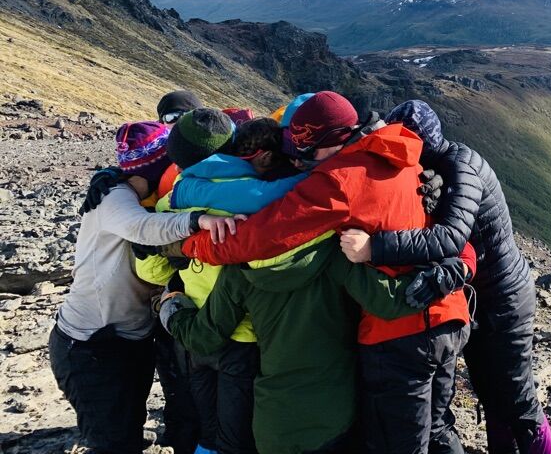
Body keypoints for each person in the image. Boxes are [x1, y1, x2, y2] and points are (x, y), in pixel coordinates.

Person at [181, 91, 475, 454]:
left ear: (337, 139)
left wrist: (188, 244)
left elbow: (258, 238)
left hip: (397, 332)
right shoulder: (403, 153)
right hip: (448, 314)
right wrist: (462, 266)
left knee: (398, 444)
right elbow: (447, 234)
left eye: (309, 151)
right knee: (438, 431)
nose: (303, 161)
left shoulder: (338, 180)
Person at [340, 101, 551, 454]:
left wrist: (373, 248)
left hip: (504, 298)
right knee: (489, 391)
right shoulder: (441, 167)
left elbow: (452, 237)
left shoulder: (462, 168)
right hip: (479, 296)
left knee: (516, 398)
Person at [49, 121, 242, 454]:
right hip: (90, 345)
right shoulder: (114, 197)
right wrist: (197, 220)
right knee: (113, 441)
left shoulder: (148, 197)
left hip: (130, 340)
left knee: (129, 424)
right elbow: (142, 228)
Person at [136, 109, 267, 454]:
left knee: (207, 429)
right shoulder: (262, 194)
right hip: (245, 336)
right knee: (240, 435)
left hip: (192, 331)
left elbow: (152, 273)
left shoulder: (171, 202)